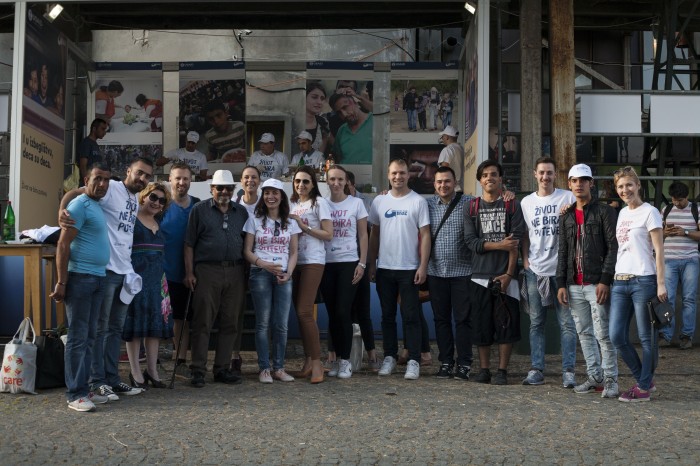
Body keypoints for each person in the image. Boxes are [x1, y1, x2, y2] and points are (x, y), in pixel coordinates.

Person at [59, 157, 155, 400]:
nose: (142, 179)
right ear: (128, 171)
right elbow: (75, 192)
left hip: (124, 270)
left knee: (115, 329)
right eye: (139, 173)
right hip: (105, 270)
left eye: (147, 176)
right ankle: (96, 381)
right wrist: (62, 210)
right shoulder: (110, 187)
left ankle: (112, 379)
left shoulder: (134, 197)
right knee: (98, 330)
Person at [51, 163, 112, 412]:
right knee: (78, 337)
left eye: (106, 180)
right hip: (80, 278)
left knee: (88, 336)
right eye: (98, 179)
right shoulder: (80, 205)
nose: (102, 184)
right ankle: (75, 393)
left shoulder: (95, 204)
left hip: (97, 277)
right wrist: (62, 282)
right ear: (87, 179)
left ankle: (84, 389)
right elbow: (63, 245)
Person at [556, 163, 619, 397]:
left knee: (603, 332)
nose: (579, 184)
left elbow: (613, 247)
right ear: (569, 184)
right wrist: (561, 283)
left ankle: (611, 378)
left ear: (591, 183)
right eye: (575, 180)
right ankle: (595, 376)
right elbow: (562, 251)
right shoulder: (566, 216)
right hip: (573, 284)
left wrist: (605, 279)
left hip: (596, 283)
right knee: (583, 331)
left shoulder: (605, 212)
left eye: (584, 180)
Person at [463, 160, 525, 385]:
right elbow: (471, 242)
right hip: (479, 276)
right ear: (480, 181)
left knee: (506, 326)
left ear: (501, 179)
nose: (490, 178)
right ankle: (484, 370)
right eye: (485, 175)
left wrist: (509, 275)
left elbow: (516, 241)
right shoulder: (470, 207)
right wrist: (500, 245)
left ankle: (502, 371)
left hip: (506, 278)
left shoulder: (511, 205)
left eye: (494, 174)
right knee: (481, 327)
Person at [184, 170, 248, 388]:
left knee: (230, 322)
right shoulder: (199, 210)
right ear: (211, 188)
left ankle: (222, 368)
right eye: (219, 187)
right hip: (207, 270)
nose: (224, 191)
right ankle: (198, 370)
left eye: (228, 188)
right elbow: (189, 243)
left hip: (235, 271)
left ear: (233, 190)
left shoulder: (241, 212)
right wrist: (190, 272)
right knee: (203, 321)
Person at [368, 159, 431, 380]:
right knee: (387, 316)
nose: (398, 177)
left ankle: (414, 359)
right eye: (394, 173)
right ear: (388, 175)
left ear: (408, 175)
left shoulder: (418, 202)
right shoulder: (379, 201)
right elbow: (374, 234)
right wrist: (372, 263)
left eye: (402, 173)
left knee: (411, 316)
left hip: (409, 268)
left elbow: (425, 235)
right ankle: (390, 357)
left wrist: (423, 266)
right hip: (385, 268)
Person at [609, 166, 667, 402]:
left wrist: (661, 283)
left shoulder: (650, 212)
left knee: (647, 337)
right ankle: (644, 379)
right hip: (620, 281)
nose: (625, 190)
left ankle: (642, 388)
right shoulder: (622, 213)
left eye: (629, 185)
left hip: (643, 280)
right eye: (620, 186)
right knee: (616, 336)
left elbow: (659, 250)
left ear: (638, 185)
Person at [519, 157, 578, 387]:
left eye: (550, 173)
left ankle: (569, 371)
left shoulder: (567, 197)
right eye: (542, 172)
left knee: (566, 323)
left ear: (556, 175)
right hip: (536, 270)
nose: (545, 177)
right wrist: (525, 261)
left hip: (562, 271)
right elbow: (524, 234)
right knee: (536, 323)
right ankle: (536, 369)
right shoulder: (526, 203)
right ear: (534, 174)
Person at [243, 178, 301, 383]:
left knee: (281, 324)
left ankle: (279, 367)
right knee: (263, 323)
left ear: (281, 196)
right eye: (267, 192)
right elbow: (247, 251)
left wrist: (289, 272)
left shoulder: (291, 222)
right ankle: (264, 368)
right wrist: (263, 264)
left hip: (284, 274)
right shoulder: (254, 219)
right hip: (260, 274)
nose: (271, 196)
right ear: (262, 196)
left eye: (275, 192)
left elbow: (294, 252)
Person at [122, 182, 173, 390]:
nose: (157, 203)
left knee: (155, 328)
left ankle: (152, 370)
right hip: (136, 279)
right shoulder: (130, 219)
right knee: (134, 328)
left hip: (158, 281)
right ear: (143, 196)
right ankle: (135, 372)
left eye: (161, 200)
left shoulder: (159, 222)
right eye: (153, 197)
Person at [320, 165, 368, 379]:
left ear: (347, 182)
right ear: (327, 181)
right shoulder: (321, 204)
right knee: (332, 315)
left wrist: (362, 263)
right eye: (332, 179)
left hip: (349, 262)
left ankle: (346, 360)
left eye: (340, 179)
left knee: (343, 312)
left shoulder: (356, 203)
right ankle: (337, 360)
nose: (336, 183)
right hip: (326, 263)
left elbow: (363, 236)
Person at [428, 166, 474, 380]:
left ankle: (464, 363)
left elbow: (495, 201)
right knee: (441, 319)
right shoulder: (427, 205)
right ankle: (446, 362)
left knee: (463, 320)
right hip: (436, 271)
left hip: (463, 272)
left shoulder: (469, 203)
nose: (443, 185)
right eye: (439, 182)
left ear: (455, 182)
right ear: (434, 184)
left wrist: (508, 194)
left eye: (447, 181)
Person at [289, 166, 333, 383]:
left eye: (305, 181)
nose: (301, 185)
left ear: (313, 184)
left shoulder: (319, 203)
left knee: (305, 312)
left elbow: (328, 234)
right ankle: (308, 361)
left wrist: (303, 226)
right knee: (299, 313)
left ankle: (317, 363)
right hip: (294, 262)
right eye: (297, 181)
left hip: (313, 261)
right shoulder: (293, 204)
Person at [160, 162, 200, 379]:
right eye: (177, 178)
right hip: (164, 272)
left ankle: (181, 359)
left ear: (190, 180)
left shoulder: (199, 206)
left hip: (191, 274)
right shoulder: (160, 205)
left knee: (183, 320)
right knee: (160, 318)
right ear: (170, 179)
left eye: (185, 178)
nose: (181, 182)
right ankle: (154, 362)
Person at [659, 181, 699, 349]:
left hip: (691, 259)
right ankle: (666, 335)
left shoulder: (696, 209)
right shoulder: (665, 210)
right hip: (668, 259)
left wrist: (686, 232)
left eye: (680, 200)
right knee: (667, 299)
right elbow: (656, 236)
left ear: (687, 197)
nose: (677, 203)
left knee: (689, 299)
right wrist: (664, 233)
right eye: (674, 200)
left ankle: (686, 336)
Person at [346, 170, 380, 368]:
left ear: (352, 184)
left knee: (363, 311)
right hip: (340, 264)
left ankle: (372, 356)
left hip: (361, 261)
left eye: (346, 184)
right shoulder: (329, 203)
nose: (342, 187)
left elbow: (369, 231)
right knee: (341, 312)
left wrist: (365, 263)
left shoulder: (363, 202)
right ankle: (338, 357)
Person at [329, 93, 373, 164]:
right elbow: (337, 156)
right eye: (339, 113)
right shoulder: (342, 130)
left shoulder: (375, 122)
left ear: (355, 102)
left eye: (345, 107)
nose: (344, 114)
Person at [78, 118, 108, 183]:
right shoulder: (86, 143)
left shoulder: (95, 145)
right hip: (88, 183)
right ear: (94, 129)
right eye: (102, 129)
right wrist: (87, 182)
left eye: (105, 130)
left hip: (95, 182)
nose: (104, 132)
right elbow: (83, 165)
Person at [305, 82, 331, 153]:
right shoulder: (295, 121)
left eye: (322, 99)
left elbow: (320, 155)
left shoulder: (323, 122)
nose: (319, 102)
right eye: (314, 97)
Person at [437, 126, 464, 191]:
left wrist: (439, 188)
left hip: (450, 190)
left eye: (443, 136)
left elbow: (444, 170)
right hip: (461, 187)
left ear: (447, 137)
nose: (442, 138)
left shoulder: (447, 150)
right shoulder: (461, 149)